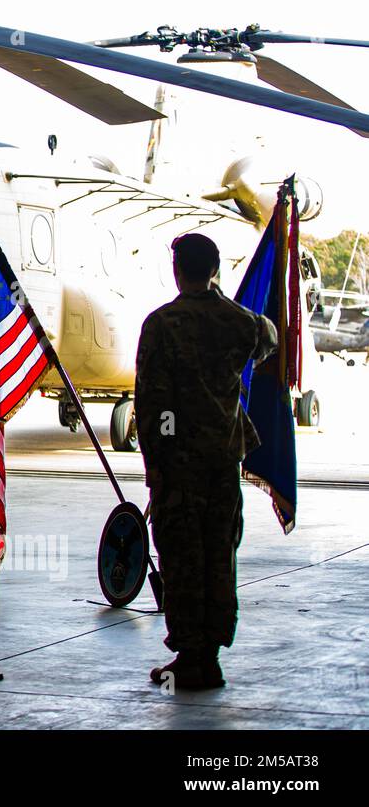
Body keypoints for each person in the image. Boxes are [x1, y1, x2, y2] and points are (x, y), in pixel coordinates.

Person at [136, 232, 277, 690]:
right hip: (223, 461)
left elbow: (155, 404)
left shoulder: (162, 324)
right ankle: (210, 655)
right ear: (215, 270)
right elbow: (270, 337)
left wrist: (157, 460)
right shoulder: (242, 324)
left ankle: (190, 656)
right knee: (219, 556)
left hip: (180, 464)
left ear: (178, 269)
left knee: (181, 556)